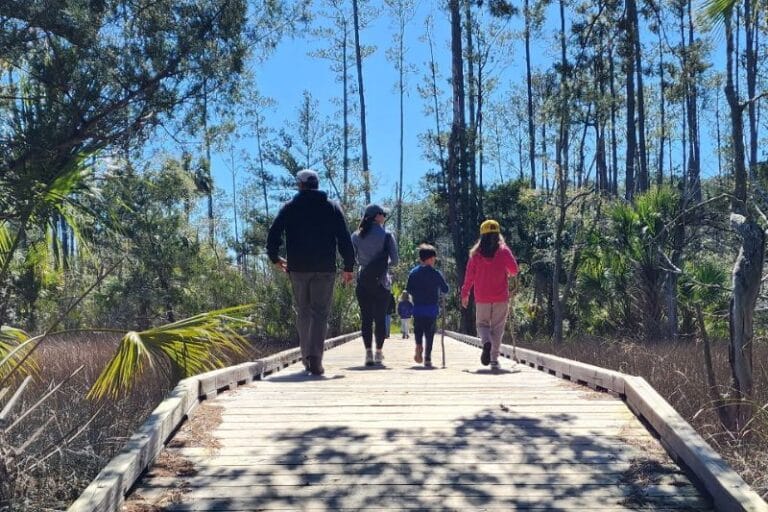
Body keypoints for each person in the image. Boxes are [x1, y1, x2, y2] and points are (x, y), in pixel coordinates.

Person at [266, 169, 355, 376]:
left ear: (301, 184)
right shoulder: (331, 206)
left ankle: (307, 357)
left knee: (303, 311)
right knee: (320, 312)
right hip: (325, 268)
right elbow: (344, 238)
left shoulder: (290, 207)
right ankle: (316, 357)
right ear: (316, 183)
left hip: (298, 268)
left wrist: (275, 257)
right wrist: (348, 266)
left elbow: (274, 235)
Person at [460, 219, 519, 371]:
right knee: (498, 328)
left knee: (482, 325)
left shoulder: (475, 255)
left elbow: (469, 276)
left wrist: (465, 293)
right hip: (500, 297)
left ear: (482, 235)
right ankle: (493, 359)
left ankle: (486, 342)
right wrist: (505, 271)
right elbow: (514, 270)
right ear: (498, 234)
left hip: (482, 298)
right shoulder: (504, 251)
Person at [351, 204, 399, 366]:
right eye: (383, 214)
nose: (384, 217)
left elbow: (352, 259)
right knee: (379, 319)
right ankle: (378, 353)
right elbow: (395, 261)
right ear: (376, 217)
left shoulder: (356, 236)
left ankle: (368, 353)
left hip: (363, 281)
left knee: (366, 318)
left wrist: (365, 265)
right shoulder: (387, 235)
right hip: (382, 283)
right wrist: (381, 264)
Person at [406, 244, 449, 368]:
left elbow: (408, 289)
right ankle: (428, 358)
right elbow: (445, 289)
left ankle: (419, 345)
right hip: (431, 310)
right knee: (429, 334)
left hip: (418, 309)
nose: (434, 261)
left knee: (418, 331)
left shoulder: (413, 273)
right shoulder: (436, 273)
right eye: (434, 258)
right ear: (430, 259)